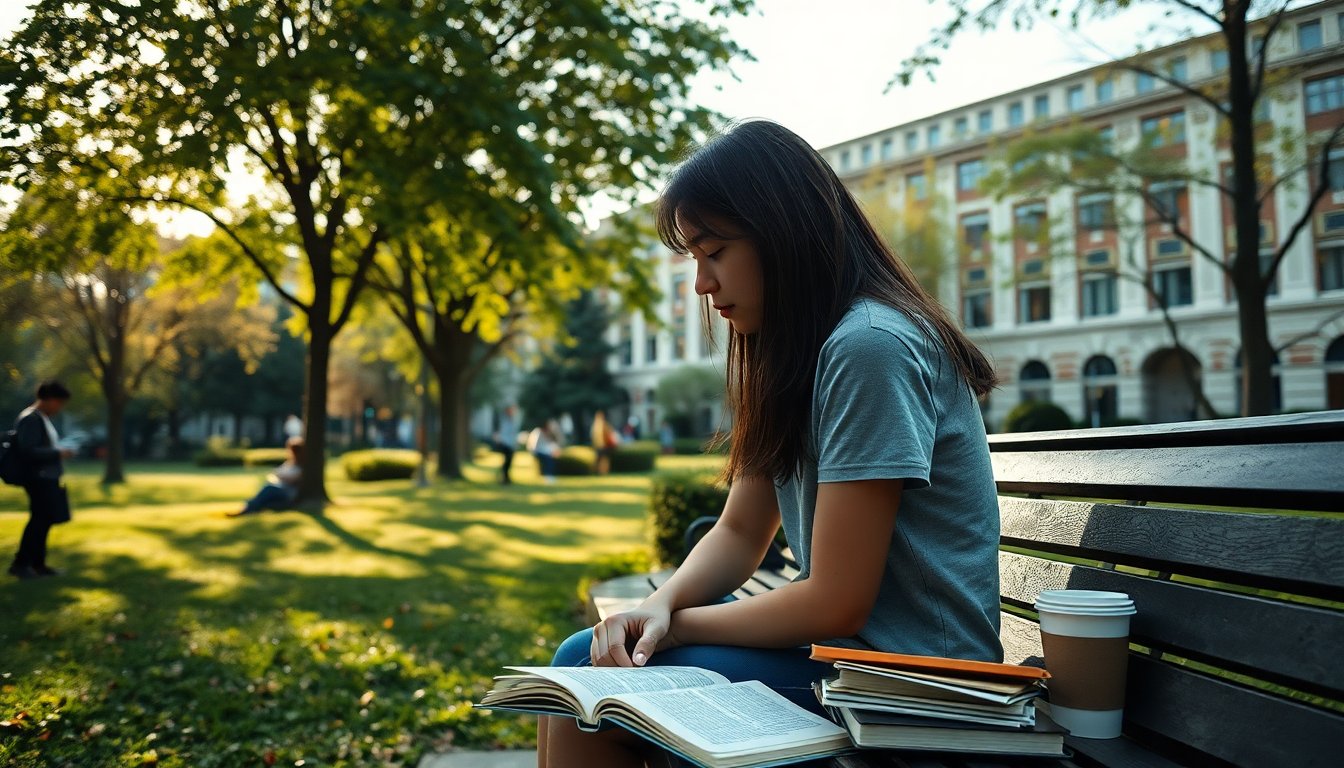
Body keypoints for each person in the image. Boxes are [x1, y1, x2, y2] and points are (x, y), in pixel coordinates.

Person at [539, 120, 1002, 767]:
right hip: (846, 658)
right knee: (582, 665)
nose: (701, 283)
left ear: (783, 234)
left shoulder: (869, 347)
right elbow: (738, 533)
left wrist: (673, 629)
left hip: (919, 686)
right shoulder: (794, 355)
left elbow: (838, 597)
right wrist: (659, 605)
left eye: (714, 251)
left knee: (591, 680)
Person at [8, 380, 76, 579]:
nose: (60, 408)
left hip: (46, 477)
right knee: (39, 520)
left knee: (44, 520)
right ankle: (21, 564)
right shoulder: (31, 419)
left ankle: (38, 564)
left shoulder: (40, 418)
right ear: (50, 399)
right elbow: (28, 451)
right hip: (38, 478)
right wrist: (57, 453)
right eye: (59, 403)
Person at [229, 437, 303, 517]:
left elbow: (291, 479)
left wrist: (279, 475)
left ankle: (247, 509)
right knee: (265, 495)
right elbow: (276, 474)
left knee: (268, 489)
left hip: (286, 493)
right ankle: (248, 508)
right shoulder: (288, 464)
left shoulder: (302, 466)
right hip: (278, 489)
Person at [527, 419, 563, 484]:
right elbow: (535, 446)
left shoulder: (547, 433)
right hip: (538, 452)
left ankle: (550, 476)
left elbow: (556, 442)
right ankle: (549, 477)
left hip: (545, 452)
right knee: (549, 460)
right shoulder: (538, 432)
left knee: (551, 459)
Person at [494, 405, 519, 484]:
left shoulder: (512, 420)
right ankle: (504, 478)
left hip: (510, 444)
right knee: (507, 461)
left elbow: (513, 433)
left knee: (509, 462)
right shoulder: (505, 421)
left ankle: (506, 478)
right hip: (506, 443)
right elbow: (504, 433)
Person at [589, 410, 618, 476]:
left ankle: (601, 472)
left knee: (601, 460)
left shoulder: (596, 425)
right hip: (603, 446)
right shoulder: (603, 424)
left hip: (600, 446)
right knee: (603, 460)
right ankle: (602, 472)